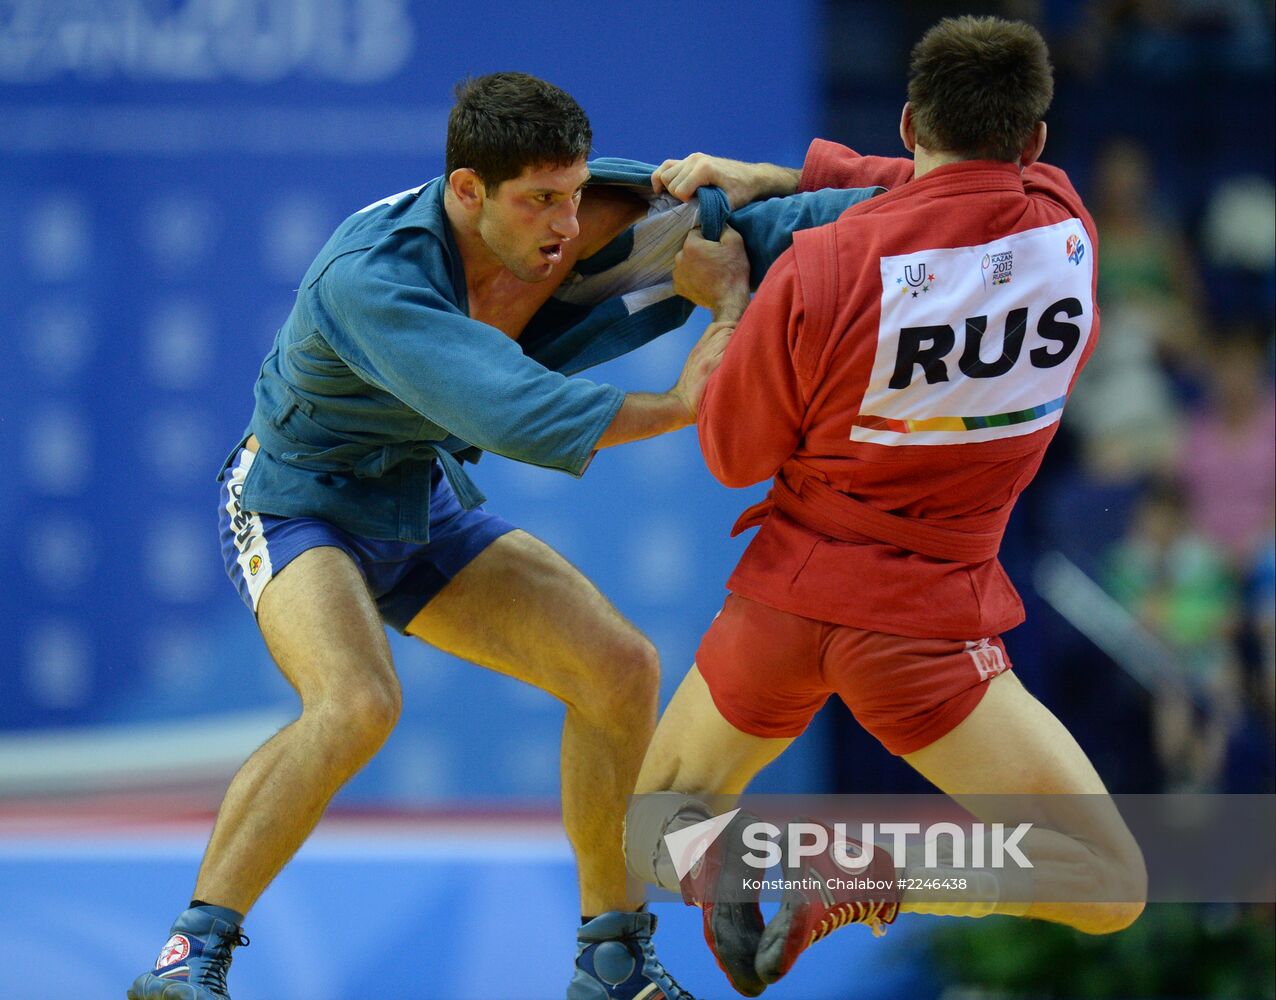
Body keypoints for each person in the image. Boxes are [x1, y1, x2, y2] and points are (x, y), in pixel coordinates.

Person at [127, 72, 880, 1000]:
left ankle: (612, 963)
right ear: (465, 191)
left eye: (573, 194)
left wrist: (952, 199)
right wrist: (703, 361)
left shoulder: (608, 210)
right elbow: (518, 412)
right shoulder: (373, 278)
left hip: (416, 496)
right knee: (356, 702)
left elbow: (792, 221)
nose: (564, 225)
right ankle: (186, 958)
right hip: (296, 500)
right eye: (538, 202)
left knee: (618, 668)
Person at [623, 17, 1147, 997]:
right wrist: (782, 178)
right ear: (1035, 141)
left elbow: (732, 457)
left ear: (909, 123)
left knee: (654, 824)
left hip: (785, 605)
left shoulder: (819, 266)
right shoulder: (1066, 229)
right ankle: (876, 871)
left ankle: (735, 860)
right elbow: (941, 191)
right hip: (924, 630)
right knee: (1108, 879)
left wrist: (729, 304)